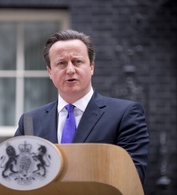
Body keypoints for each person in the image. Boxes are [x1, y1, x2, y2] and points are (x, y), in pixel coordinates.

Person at [14, 29, 149, 184]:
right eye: (61, 63)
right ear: (50, 71)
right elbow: (18, 179)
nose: (70, 70)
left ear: (91, 67)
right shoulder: (30, 121)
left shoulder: (125, 114)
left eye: (77, 61)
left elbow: (132, 177)